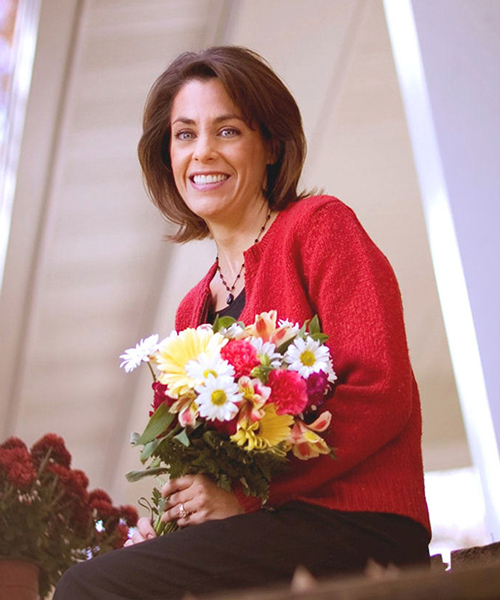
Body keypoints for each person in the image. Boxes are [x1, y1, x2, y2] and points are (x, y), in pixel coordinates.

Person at [54, 46, 431, 600]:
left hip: (357, 523)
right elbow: (201, 460)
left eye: (227, 131)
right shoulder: (193, 309)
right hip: (265, 530)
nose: (203, 152)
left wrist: (245, 497)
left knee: (89, 588)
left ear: (271, 146)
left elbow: (382, 389)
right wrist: (173, 522)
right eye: (185, 135)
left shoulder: (320, 228)